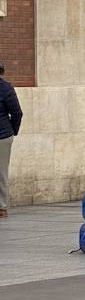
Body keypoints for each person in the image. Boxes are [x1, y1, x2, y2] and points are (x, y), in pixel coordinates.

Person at [0, 61, 23, 218]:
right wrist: (13, 131)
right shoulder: (6, 88)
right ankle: (1, 207)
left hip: (2, 134)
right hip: (3, 135)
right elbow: (17, 113)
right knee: (1, 172)